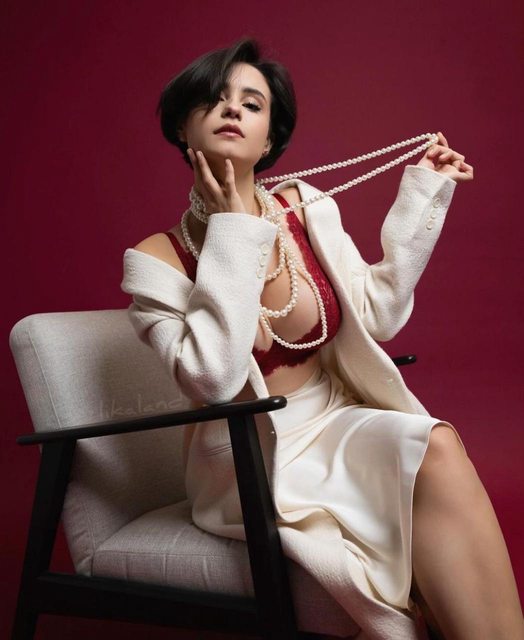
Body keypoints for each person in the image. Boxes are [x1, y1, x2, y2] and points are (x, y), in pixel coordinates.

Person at [121, 38, 523, 639]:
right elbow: (214, 379)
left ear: (269, 139)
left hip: (333, 416)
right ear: (183, 126)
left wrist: (424, 196)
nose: (233, 110)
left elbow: (378, 314)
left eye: (252, 103)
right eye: (214, 99)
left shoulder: (303, 207)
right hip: (249, 455)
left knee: (436, 445)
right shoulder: (156, 259)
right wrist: (234, 229)